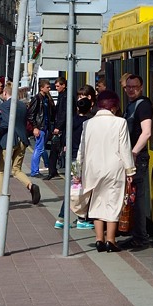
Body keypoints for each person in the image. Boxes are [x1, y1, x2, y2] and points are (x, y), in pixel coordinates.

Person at [75, 90, 134, 252]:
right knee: (113, 204)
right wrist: (130, 171)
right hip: (114, 169)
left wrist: (76, 172)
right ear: (114, 107)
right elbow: (125, 149)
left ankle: (99, 239)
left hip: (92, 170)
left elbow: (81, 151)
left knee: (97, 203)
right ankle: (111, 240)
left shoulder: (88, 124)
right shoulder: (120, 123)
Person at [0, 80, 41, 207]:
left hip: (8, 141)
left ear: (5, 93)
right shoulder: (23, 105)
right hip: (22, 140)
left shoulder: (6, 106)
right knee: (16, 169)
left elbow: (6, 124)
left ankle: (1, 197)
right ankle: (31, 185)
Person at [119, 74, 153, 250]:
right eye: (128, 87)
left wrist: (133, 153)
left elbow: (146, 132)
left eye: (134, 86)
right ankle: (136, 234)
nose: (131, 90)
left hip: (137, 158)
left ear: (141, 87)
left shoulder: (143, 105)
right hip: (132, 157)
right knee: (132, 197)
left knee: (138, 198)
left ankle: (141, 237)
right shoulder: (131, 105)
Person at [55, 84, 96, 229]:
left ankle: (62, 218)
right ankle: (79, 219)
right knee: (80, 189)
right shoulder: (89, 122)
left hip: (71, 157)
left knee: (74, 187)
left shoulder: (71, 120)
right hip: (81, 159)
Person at [26, 79, 55, 177]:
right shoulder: (37, 98)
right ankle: (34, 171)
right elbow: (30, 114)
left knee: (41, 148)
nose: (49, 89)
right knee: (39, 148)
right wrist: (35, 127)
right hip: (40, 127)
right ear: (42, 88)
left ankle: (46, 165)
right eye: (47, 87)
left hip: (45, 126)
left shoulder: (46, 98)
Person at [46, 77, 67, 179]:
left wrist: (58, 127)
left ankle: (53, 171)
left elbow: (63, 113)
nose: (56, 88)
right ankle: (53, 170)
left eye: (58, 86)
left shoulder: (65, 97)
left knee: (55, 150)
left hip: (61, 128)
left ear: (64, 85)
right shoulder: (62, 95)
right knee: (54, 150)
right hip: (60, 126)